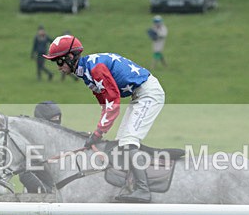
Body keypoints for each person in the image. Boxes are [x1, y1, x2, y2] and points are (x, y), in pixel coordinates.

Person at [43, 35, 165, 202]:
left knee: (128, 141)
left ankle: (144, 190)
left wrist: (99, 132)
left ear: (70, 57)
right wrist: (97, 132)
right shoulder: (85, 72)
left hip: (148, 93)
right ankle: (130, 184)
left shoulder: (95, 69)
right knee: (121, 141)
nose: (58, 67)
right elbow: (105, 105)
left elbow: (113, 104)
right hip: (139, 95)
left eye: (59, 61)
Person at [20, 101, 62, 215]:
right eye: (52, 120)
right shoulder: (32, 142)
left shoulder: (59, 139)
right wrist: (44, 191)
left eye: (57, 120)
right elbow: (24, 173)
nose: (56, 124)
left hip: (61, 200)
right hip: (38, 201)